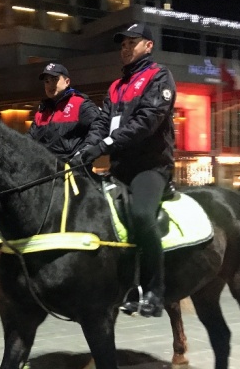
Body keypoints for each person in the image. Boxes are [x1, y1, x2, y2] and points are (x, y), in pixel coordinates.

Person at [70, 22, 176, 318]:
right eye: (123, 44)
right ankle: (126, 285)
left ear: (148, 46)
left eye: (133, 42)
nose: (126, 48)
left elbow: (146, 121)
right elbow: (102, 123)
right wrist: (86, 149)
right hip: (120, 168)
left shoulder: (159, 77)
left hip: (150, 167)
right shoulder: (116, 86)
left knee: (141, 215)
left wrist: (103, 144)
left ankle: (156, 289)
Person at [29, 63, 108, 164]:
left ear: (67, 82)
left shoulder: (79, 103)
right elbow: (29, 140)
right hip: (46, 170)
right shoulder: (41, 112)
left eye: (54, 80)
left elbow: (100, 126)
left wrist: (85, 151)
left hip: (73, 169)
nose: (50, 85)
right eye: (47, 81)